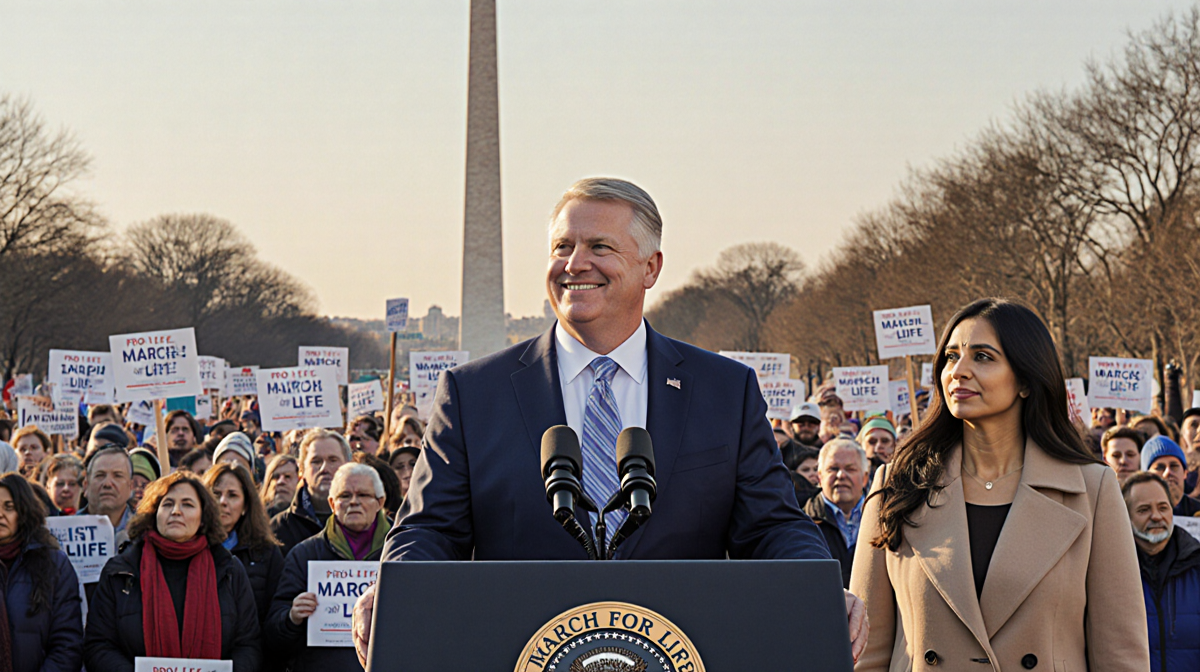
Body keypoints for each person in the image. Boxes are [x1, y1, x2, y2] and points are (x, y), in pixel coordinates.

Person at [356, 177, 862, 663]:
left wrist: (818, 587)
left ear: (651, 267)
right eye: (561, 247)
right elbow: (428, 532)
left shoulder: (725, 391)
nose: (575, 264)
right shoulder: (473, 393)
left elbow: (772, 526)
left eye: (599, 246)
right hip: (515, 652)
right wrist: (396, 588)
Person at [851, 297, 1148, 671]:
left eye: (983, 357)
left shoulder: (1092, 490)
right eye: (951, 356)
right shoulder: (897, 484)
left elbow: (1121, 654)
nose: (958, 370)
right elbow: (865, 650)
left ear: (1025, 379)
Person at [83, 471, 261, 672]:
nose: (176, 511)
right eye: (167, 504)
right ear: (154, 514)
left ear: (203, 518)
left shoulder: (229, 570)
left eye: (187, 504)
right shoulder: (121, 571)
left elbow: (248, 645)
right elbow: (98, 646)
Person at [266, 463, 392, 672]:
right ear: (332, 504)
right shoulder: (304, 555)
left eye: (362, 495)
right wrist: (292, 617)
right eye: (344, 496)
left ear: (380, 502)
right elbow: (273, 635)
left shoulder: (399, 554)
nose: (353, 502)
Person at [0, 472, 84, 672]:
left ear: (24, 510)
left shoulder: (55, 565)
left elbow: (67, 643)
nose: (0, 514)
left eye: (9, 507)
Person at [1123, 471, 1200, 671]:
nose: (1156, 516)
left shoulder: (1197, 566)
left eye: (1163, 507)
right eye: (1144, 510)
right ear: (1126, 516)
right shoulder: (1112, 573)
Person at [204, 463, 285, 624]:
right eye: (215, 494)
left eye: (232, 495)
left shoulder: (266, 552)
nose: (222, 502)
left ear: (245, 506)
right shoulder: (191, 547)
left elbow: (274, 615)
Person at [269, 429, 352, 556]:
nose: (324, 468)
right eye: (316, 461)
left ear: (348, 465)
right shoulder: (280, 527)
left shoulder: (369, 522)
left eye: (333, 460)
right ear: (301, 469)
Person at [803, 438, 868, 588]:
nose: (841, 475)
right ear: (820, 477)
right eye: (833, 469)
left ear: (865, 478)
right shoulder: (803, 522)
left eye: (850, 469)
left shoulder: (884, 520)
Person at [78, 446, 136, 549]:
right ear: (86, 486)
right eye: (100, 475)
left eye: (118, 476)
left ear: (131, 487)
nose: (107, 484)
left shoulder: (144, 533)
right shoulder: (65, 532)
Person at [1141, 435, 1200, 517]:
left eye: (1174, 466)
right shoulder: (1136, 515)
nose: (1168, 472)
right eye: (1159, 467)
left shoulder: (1197, 511)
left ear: (1185, 473)